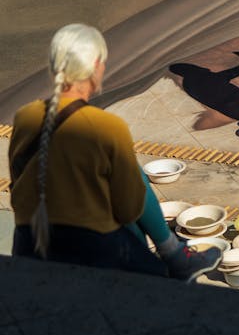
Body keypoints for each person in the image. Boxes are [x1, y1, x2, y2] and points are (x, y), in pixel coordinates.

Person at [8, 23, 221, 282]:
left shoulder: (24, 118)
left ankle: (175, 255)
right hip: (91, 250)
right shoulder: (105, 127)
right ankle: (174, 254)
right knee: (134, 187)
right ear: (96, 66)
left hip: (28, 244)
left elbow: (20, 182)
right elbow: (131, 206)